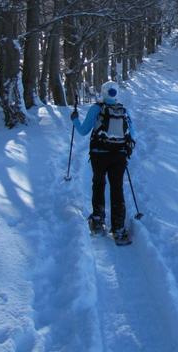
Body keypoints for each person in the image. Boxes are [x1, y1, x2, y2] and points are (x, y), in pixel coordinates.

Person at [71, 81, 135, 245]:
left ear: (103, 92)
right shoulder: (123, 111)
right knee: (117, 188)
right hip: (119, 156)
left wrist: (75, 120)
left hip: (99, 154)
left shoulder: (96, 109)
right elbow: (132, 135)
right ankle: (119, 229)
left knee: (98, 184)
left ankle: (98, 221)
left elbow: (83, 131)